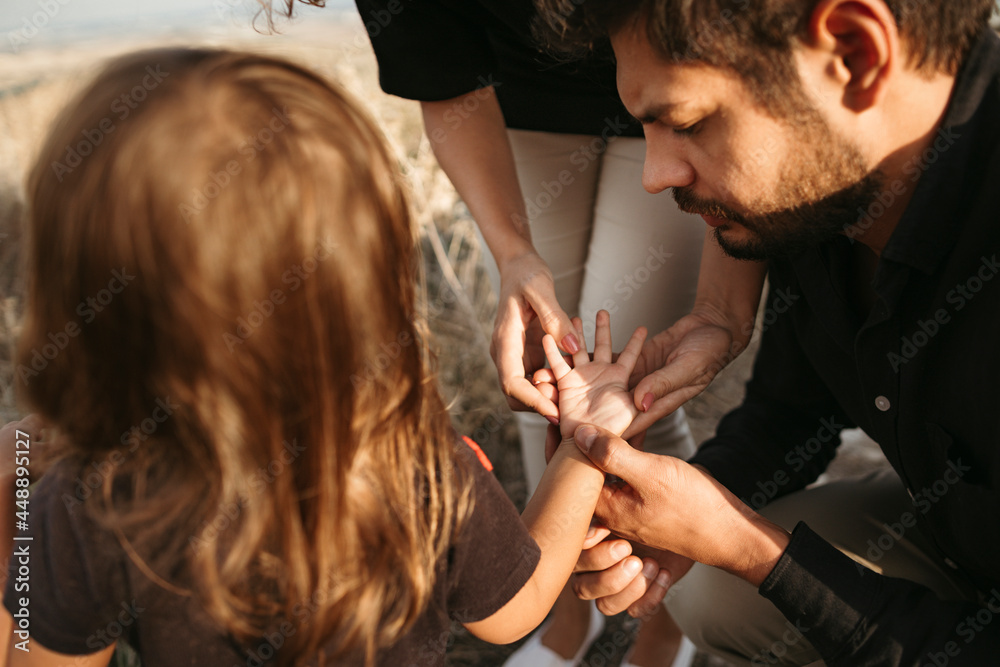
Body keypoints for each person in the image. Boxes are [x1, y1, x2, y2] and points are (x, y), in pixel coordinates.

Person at [0, 47, 650, 666]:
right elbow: (516, 609)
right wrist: (584, 440)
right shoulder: (418, 459)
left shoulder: (87, 499)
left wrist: (13, 526)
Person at [262, 1, 768, 664]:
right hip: (519, 110)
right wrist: (512, 255)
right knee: (544, 383)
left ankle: (664, 624)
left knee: (630, 388)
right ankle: (560, 611)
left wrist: (724, 307)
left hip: (678, 96)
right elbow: (442, 78)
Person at [528, 0, 1000, 665]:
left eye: (688, 122)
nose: (657, 175)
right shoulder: (828, 192)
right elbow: (788, 412)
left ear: (855, 54)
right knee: (707, 587)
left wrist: (747, 546)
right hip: (959, 539)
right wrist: (672, 518)